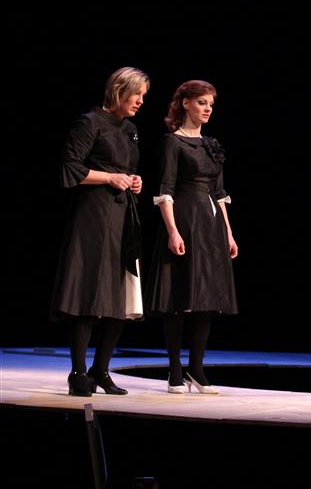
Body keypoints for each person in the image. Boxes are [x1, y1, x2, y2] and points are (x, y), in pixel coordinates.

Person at [51, 66, 150, 396]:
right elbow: (70, 168)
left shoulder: (131, 130)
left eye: (143, 96)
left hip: (123, 216)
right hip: (93, 218)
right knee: (89, 292)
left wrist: (134, 180)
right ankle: (78, 372)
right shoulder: (89, 122)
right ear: (119, 90)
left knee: (121, 295)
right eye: (137, 94)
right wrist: (108, 177)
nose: (140, 101)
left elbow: (127, 168)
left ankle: (101, 370)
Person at [144, 80, 238, 395]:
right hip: (184, 220)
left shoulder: (212, 144)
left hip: (211, 226)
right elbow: (165, 189)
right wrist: (172, 230)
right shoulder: (172, 142)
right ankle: (174, 370)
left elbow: (220, 193)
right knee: (178, 297)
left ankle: (196, 369)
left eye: (211, 104)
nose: (208, 108)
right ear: (186, 103)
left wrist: (228, 233)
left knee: (206, 299)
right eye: (201, 102)